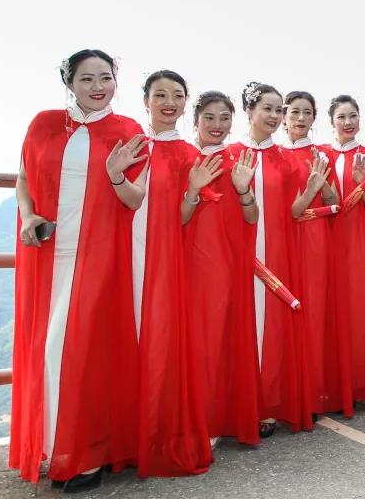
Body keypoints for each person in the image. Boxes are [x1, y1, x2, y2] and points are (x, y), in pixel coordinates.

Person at [10, 50, 143, 490]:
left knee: (76, 350)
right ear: (69, 82)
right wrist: (28, 217)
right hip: (46, 254)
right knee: (45, 351)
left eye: (106, 78)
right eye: (87, 79)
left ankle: (85, 453)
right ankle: (52, 446)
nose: (98, 86)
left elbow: (135, 199)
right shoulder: (44, 123)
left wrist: (116, 176)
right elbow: (24, 179)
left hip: (98, 255)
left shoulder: (127, 131)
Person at [130, 70, 212, 477]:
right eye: (159, 94)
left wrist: (193, 192)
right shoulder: (128, 144)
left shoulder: (187, 155)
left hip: (163, 261)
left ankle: (155, 434)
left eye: (177, 95)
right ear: (144, 100)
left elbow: (184, 219)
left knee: (159, 344)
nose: (169, 101)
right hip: (119, 256)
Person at [230, 82, 314, 436]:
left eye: (279, 110)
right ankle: (234, 404)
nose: (275, 116)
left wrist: (309, 191)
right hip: (238, 251)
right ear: (249, 111)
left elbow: (292, 211)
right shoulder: (228, 153)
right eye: (267, 108)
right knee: (238, 325)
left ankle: (265, 404)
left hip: (277, 249)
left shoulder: (285, 158)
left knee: (271, 328)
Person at [186, 91, 261, 447]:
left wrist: (244, 189)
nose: (217, 126)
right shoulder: (183, 158)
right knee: (185, 341)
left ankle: (213, 416)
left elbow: (251, 217)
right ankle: (183, 417)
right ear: (196, 120)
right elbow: (174, 217)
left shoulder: (238, 160)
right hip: (183, 260)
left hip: (224, 263)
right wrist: (192, 190)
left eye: (225, 118)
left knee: (216, 338)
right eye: (209, 118)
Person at [282, 91, 351, 416]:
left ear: (314, 118)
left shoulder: (323, 154)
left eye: (306, 113)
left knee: (314, 313)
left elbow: (336, 199)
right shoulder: (276, 153)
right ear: (284, 116)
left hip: (315, 239)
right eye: (294, 112)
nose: (300, 118)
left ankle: (314, 392)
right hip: (283, 239)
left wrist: (321, 184)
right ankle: (284, 391)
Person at [321, 95, 365, 409]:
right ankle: (331, 386)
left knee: (360, 311)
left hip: (360, 242)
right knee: (331, 312)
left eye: (353, 116)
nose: (347, 123)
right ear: (332, 122)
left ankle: (361, 384)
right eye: (341, 117)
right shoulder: (321, 154)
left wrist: (363, 184)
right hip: (328, 240)